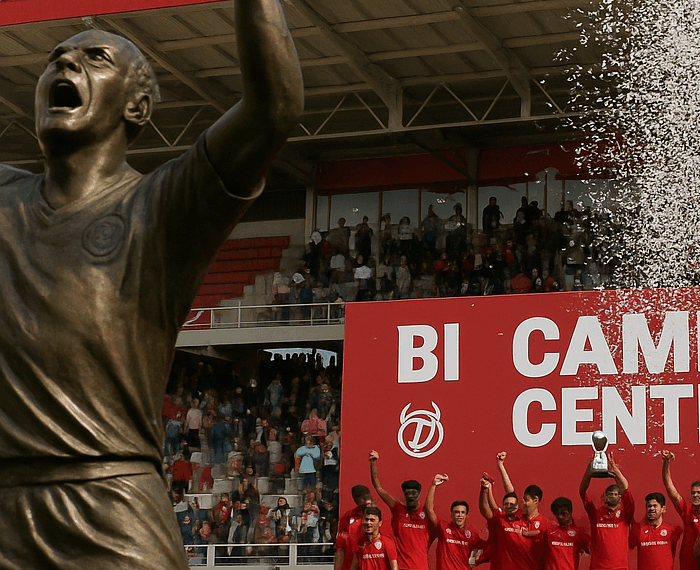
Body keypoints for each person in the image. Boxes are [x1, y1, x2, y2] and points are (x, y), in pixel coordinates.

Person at [0, 1, 303, 566]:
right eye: (56, 59)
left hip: (109, 504)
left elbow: (275, 109)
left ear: (136, 105)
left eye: (94, 59)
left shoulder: (160, 207)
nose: (67, 65)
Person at [369, 450, 430, 570]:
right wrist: (373, 463)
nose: (411, 496)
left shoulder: (426, 513)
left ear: (419, 494)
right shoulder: (398, 509)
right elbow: (379, 488)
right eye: (408, 493)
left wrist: (434, 485)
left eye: (414, 493)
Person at [579, 454, 633, 570]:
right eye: (610, 494)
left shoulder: (626, 513)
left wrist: (616, 472)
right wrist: (589, 470)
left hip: (620, 568)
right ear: (605, 496)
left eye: (615, 494)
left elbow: (627, 490)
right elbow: (582, 491)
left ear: (620, 497)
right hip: (597, 567)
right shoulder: (595, 514)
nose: (612, 496)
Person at [661, 450, 700, 570]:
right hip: (688, 563)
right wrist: (666, 464)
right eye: (693, 493)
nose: (695, 495)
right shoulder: (687, 510)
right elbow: (668, 485)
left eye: (699, 492)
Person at [424, 474, 485, 570]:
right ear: (451, 515)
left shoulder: (472, 533)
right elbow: (429, 510)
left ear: (466, 515)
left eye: (462, 512)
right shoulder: (443, 527)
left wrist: (477, 559)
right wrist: (434, 485)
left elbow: (488, 548)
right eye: (456, 512)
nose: (460, 515)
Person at [479, 474, 534, 570]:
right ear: (503, 506)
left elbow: (510, 492)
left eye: (513, 504)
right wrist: (486, 489)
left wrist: (500, 466)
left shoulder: (527, 520)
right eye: (507, 504)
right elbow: (486, 509)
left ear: (518, 506)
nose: (510, 506)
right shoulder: (499, 520)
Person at [630, 492, 682, 570]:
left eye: (655, 506)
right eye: (649, 506)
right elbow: (630, 545)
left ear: (663, 509)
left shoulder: (673, 530)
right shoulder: (638, 530)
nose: (651, 509)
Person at [540, 497, 589, 570]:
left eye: (563, 514)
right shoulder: (548, 532)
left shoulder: (579, 534)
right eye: (557, 514)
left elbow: (596, 551)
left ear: (570, 512)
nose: (560, 517)